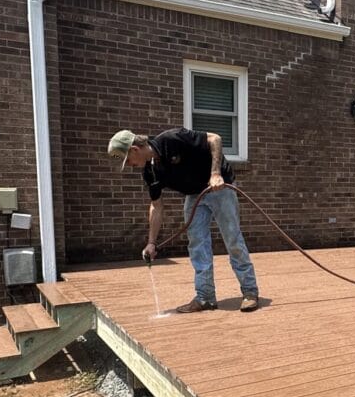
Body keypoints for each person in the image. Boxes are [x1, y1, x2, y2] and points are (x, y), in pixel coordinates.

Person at [108, 128, 259, 314]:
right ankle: (205, 298)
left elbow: (215, 138)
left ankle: (250, 292)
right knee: (197, 244)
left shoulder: (172, 139)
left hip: (219, 187)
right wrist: (151, 243)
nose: (130, 165)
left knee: (232, 239)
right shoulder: (150, 171)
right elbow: (156, 206)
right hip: (194, 194)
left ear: (134, 149)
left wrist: (215, 173)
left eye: (128, 160)